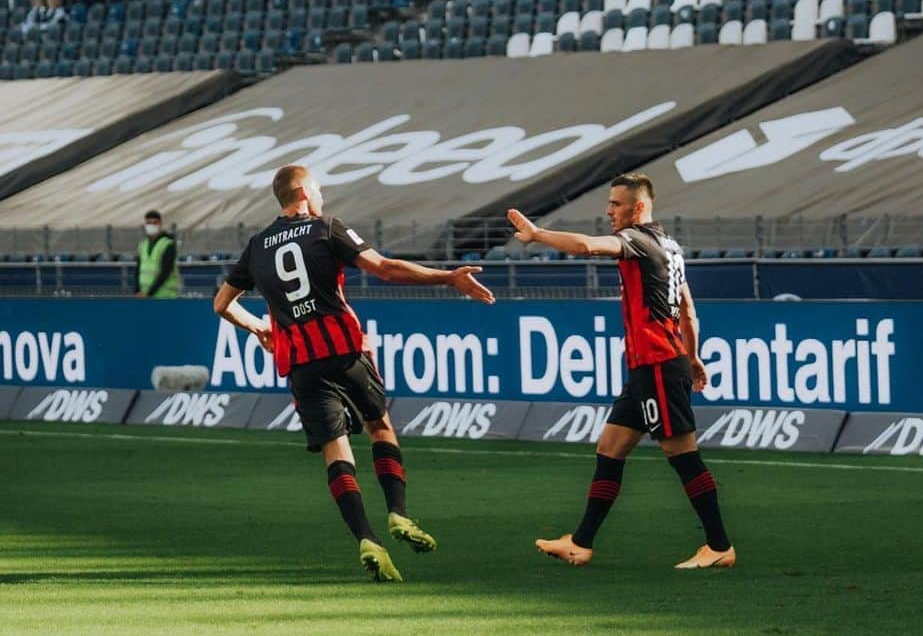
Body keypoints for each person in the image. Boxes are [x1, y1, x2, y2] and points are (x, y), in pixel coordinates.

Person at [212, 163, 495, 582]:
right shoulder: (326, 228)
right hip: (344, 351)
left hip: (302, 365)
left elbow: (221, 303)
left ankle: (366, 538)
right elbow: (384, 267)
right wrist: (448, 277)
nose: (323, 196)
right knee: (380, 427)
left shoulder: (257, 246)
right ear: (305, 193)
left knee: (335, 449)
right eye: (320, 189)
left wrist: (258, 328)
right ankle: (398, 515)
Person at [507, 176, 735, 572]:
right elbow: (688, 310)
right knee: (609, 449)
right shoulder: (672, 247)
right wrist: (693, 357)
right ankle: (580, 543)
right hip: (653, 367)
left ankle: (719, 545)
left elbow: (587, 245)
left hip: (658, 366)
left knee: (683, 456)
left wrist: (538, 234)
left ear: (639, 208)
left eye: (616, 204)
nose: (609, 211)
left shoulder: (638, 241)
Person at [136, 211, 181, 298]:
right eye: (148, 223)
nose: (151, 226)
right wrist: (138, 290)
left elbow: (166, 271)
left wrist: (149, 293)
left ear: (160, 224)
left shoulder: (168, 244)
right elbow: (138, 270)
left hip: (165, 296)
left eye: (154, 223)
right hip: (144, 296)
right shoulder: (143, 245)